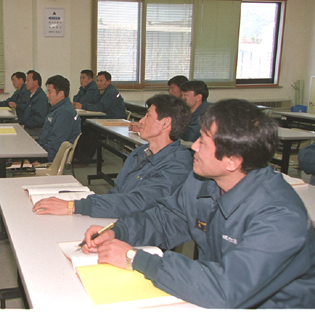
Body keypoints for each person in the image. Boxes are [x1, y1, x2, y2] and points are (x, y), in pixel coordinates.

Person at [81, 99, 315, 308]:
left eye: (202, 142)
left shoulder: (281, 217)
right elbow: (165, 219)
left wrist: (135, 258)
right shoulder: (204, 181)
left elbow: (226, 290)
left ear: (232, 161)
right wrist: (117, 232)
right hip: (210, 294)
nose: (193, 146)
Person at [33, 94, 192, 218]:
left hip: (141, 234)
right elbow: (117, 193)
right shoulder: (139, 152)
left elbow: (136, 203)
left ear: (165, 123)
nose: (141, 121)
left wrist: (74, 206)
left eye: (148, 116)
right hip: (119, 219)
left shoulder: (178, 164)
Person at [35, 75, 81, 162]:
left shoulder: (64, 113)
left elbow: (55, 145)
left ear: (60, 94)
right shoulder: (57, 109)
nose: (47, 95)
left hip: (50, 156)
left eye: (49, 92)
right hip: (43, 148)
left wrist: (39, 161)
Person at [20, 70, 49, 137]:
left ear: (36, 82)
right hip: (30, 127)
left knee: (18, 133)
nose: (26, 83)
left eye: (28, 80)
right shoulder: (33, 96)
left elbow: (39, 119)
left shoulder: (41, 98)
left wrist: (24, 125)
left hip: (36, 130)